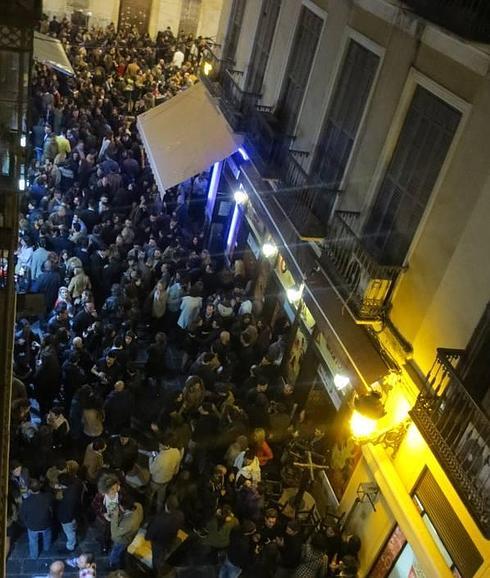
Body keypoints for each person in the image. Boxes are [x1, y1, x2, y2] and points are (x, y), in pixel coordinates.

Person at [20, 479, 54, 559]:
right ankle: (47, 548)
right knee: (47, 536)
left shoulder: (26, 502)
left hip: (32, 526)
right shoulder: (48, 497)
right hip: (46, 523)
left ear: (30, 490)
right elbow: (52, 509)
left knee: (33, 541)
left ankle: (34, 556)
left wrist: (26, 523)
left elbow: (22, 516)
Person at [108, 493, 143, 569]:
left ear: (124, 508)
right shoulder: (138, 505)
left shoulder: (129, 522)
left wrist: (114, 516)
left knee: (116, 552)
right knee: (120, 550)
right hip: (130, 534)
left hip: (122, 540)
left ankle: (113, 564)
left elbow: (115, 534)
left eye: (119, 505)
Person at [148, 434, 182, 512]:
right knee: (161, 498)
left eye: (160, 444)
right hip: (167, 480)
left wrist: (151, 457)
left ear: (163, 444)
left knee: (150, 495)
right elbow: (176, 470)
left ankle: (148, 509)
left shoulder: (161, 457)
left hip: (156, 481)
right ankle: (158, 511)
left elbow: (152, 470)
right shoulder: (176, 452)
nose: (159, 445)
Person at [56, 472, 83, 553]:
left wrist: (64, 520)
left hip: (68, 519)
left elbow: (67, 511)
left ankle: (70, 547)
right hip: (75, 515)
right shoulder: (74, 487)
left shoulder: (69, 498)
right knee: (73, 529)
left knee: (70, 533)